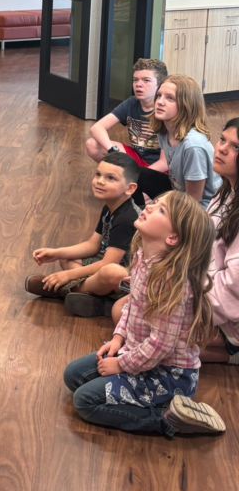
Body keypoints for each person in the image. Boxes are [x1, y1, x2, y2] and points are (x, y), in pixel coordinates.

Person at [63, 191, 225, 437]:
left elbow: (160, 347)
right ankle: (144, 399)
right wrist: (118, 338)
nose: (150, 206)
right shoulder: (144, 258)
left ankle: (170, 420)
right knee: (73, 376)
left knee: (85, 401)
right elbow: (132, 307)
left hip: (168, 375)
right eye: (157, 202)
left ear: (173, 238)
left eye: (161, 210)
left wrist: (120, 364)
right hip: (139, 353)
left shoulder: (171, 284)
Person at [25, 151, 140, 317]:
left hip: (131, 281)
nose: (100, 181)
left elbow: (108, 263)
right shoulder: (111, 206)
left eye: (110, 178)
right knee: (67, 258)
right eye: (98, 174)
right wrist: (56, 253)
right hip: (107, 268)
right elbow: (92, 245)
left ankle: (62, 290)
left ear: (130, 188)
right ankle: (89, 295)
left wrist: (68, 275)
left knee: (113, 272)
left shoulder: (127, 218)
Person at [86, 57, 171, 203]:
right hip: (138, 159)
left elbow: (165, 162)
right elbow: (96, 128)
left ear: (160, 84)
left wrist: (135, 176)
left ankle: (131, 182)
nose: (138, 85)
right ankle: (126, 180)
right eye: (135, 80)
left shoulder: (165, 109)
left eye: (146, 80)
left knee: (139, 200)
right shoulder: (132, 102)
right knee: (93, 145)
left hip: (162, 168)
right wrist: (112, 151)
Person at [147, 74, 220, 209]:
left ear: (186, 105)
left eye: (170, 98)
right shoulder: (164, 131)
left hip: (203, 208)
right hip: (179, 192)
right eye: (159, 95)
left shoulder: (193, 145)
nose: (160, 102)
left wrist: (161, 205)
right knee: (136, 176)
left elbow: (194, 199)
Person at [201, 118, 239, 365]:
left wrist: (186, 299)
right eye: (223, 139)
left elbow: (234, 284)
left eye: (236, 147)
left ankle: (232, 351)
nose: (222, 148)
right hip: (206, 290)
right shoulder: (225, 189)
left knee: (128, 315)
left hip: (227, 312)